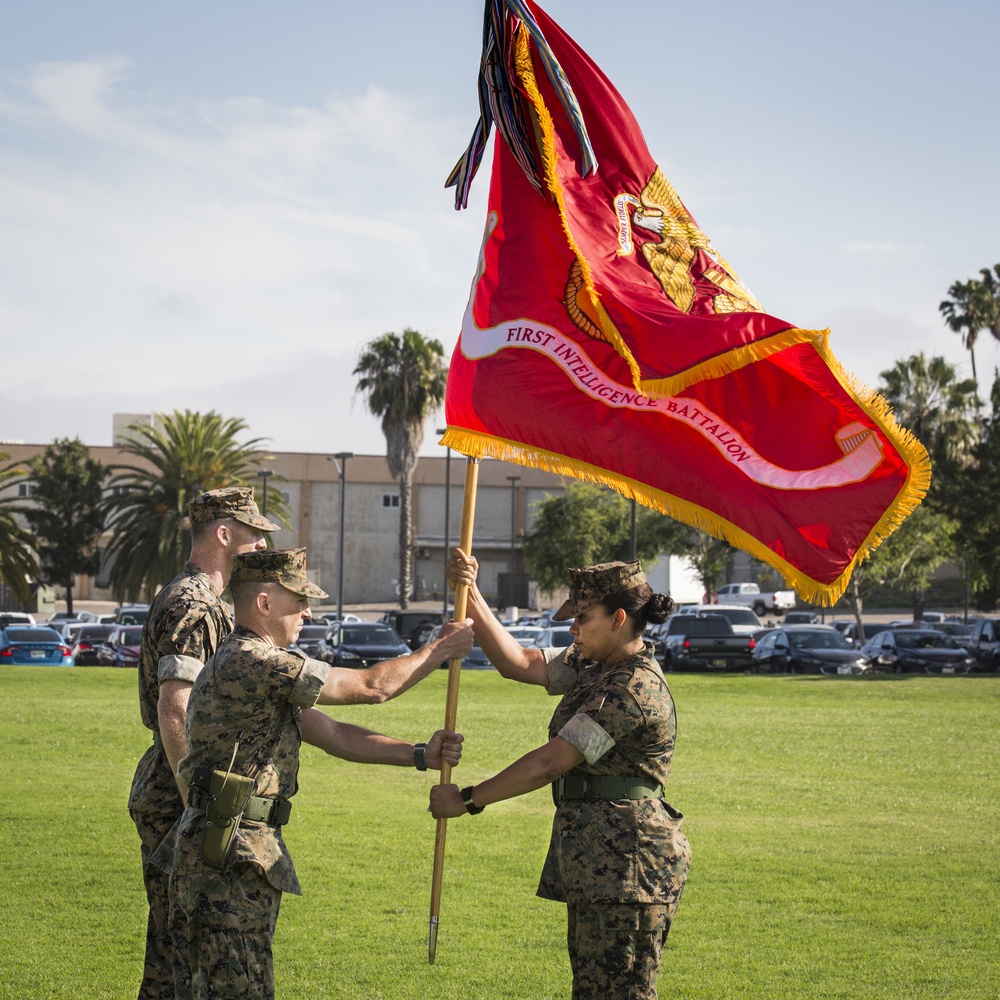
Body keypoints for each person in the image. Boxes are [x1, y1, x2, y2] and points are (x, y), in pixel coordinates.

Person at [161, 547, 474, 1000]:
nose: (308, 611)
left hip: (229, 849)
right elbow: (371, 688)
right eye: (298, 600)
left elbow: (334, 735)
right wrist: (441, 648)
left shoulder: (251, 670)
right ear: (265, 604)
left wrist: (421, 754)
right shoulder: (254, 661)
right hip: (230, 858)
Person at [431, 549, 691, 1000]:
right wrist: (470, 590)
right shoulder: (595, 666)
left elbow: (553, 761)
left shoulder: (632, 688)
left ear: (619, 618)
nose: (572, 629)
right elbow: (518, 662)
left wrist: (468, 799)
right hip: (601, 864)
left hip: (629, 868)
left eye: (582, 617)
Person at [129, 486, 279, 1000]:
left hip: (177, 783)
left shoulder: (196, 598)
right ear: (222, 533)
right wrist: (197, 804)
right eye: (254, 536)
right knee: (191, 948)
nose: (260, 547)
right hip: (180, 790)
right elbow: (176, 707)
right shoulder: (194, 604)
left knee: (174, 947)